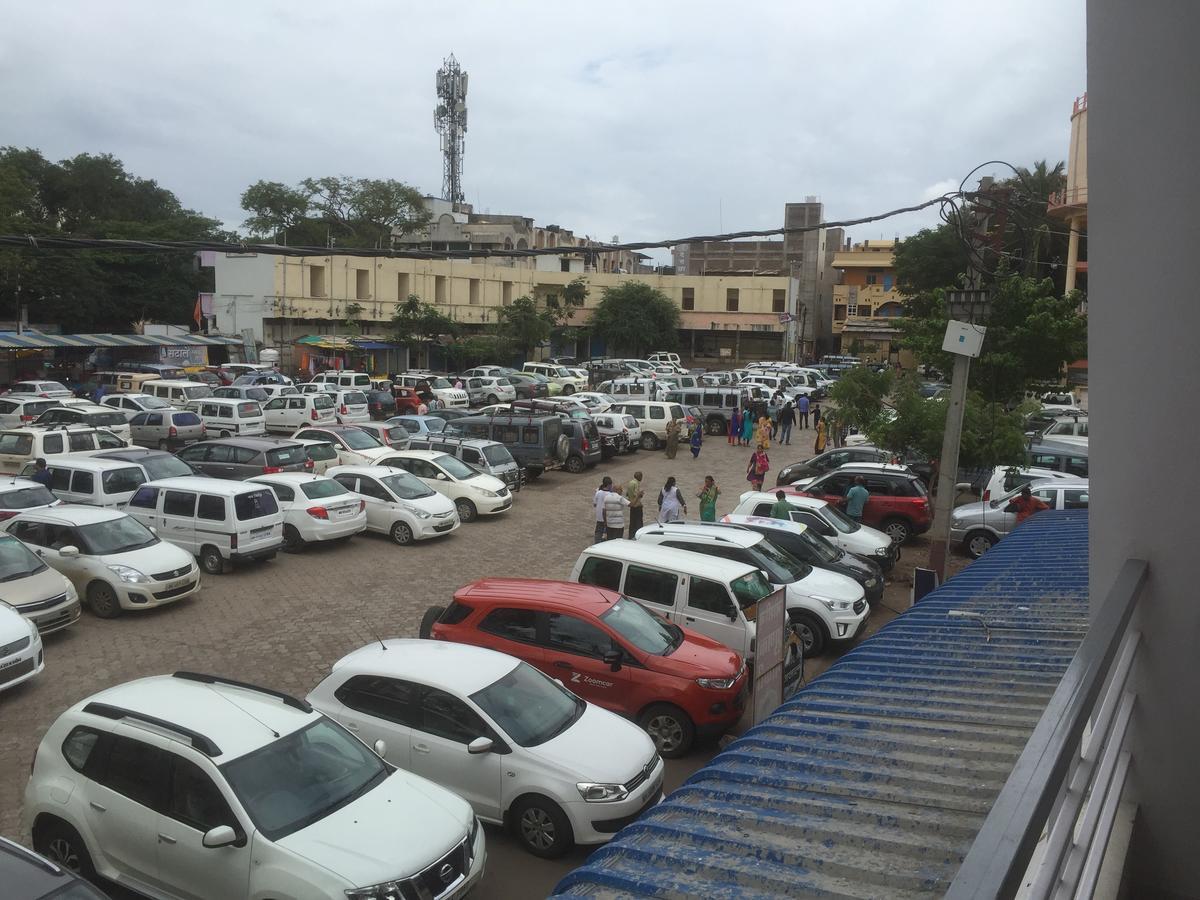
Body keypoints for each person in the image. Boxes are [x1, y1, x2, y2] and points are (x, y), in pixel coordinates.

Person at [593, 476, 612, 543]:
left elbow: (594, 504)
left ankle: (597, 542)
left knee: (598, 530)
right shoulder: (610, 494)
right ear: (609, 485)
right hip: (607, 516)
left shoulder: (598, 493)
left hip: (599, 515)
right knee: (608, 530)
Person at [625, 471, 644, 537]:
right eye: (641, 476)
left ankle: (631, 535)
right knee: (638, 523)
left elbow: (627, 493)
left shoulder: (630, 482)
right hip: (637, 505)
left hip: (631, 505)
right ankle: (638, 536)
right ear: (639, 477)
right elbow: (636, 494)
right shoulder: (636, 483)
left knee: (632, 522)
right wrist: (641, 494)